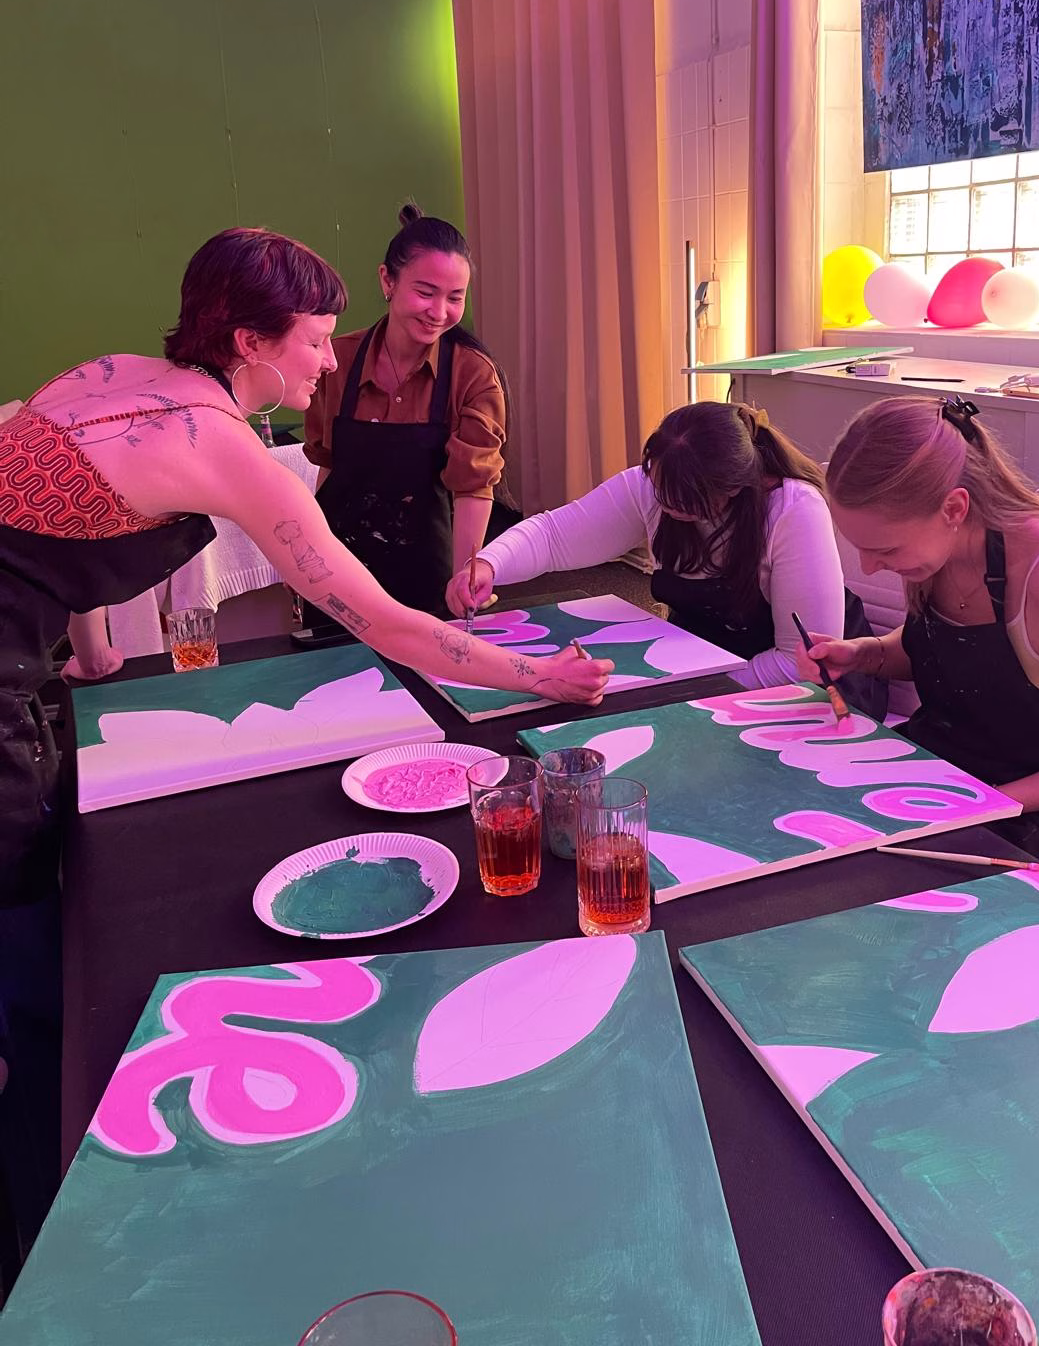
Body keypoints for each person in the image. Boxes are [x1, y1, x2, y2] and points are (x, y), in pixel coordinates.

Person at [0, 226, 610, 1263]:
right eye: (317, 340)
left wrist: (90, 654)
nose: (332, 359)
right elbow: (392, 626)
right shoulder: (220, 441)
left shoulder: (110, 374)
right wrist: (539, 678)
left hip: (24, 653)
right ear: (250, 341)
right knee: (30, 946)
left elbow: (59, 525)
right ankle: (53, 1220)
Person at [796, 395, 1039, 862]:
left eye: (886, 550)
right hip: (937, 778)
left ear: (954, 509)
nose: (869, 567)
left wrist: (978, 804)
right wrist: (866, 654)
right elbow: (945, 654)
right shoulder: (938, 550)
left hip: (1031, 815)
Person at [446, 400, 887, 715]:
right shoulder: (653, 487)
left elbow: (798, 661)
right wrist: (489, 565)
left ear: (734, 489)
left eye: (683, 502)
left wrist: (696, 692)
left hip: (813, 689)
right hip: (701, 666)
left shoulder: (792, 510)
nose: (666, 506)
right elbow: (553, 536)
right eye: (660, 491)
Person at [304, 205, 513, 616]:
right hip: (341, 572)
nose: (439, 312)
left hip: (426, 575)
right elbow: (328, 466)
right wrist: (310, 561)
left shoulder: (472, 373)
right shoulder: (336, 360)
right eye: (425, 292)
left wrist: (464, 577)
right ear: (388, 280)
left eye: (455, 297)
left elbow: (473, 487)